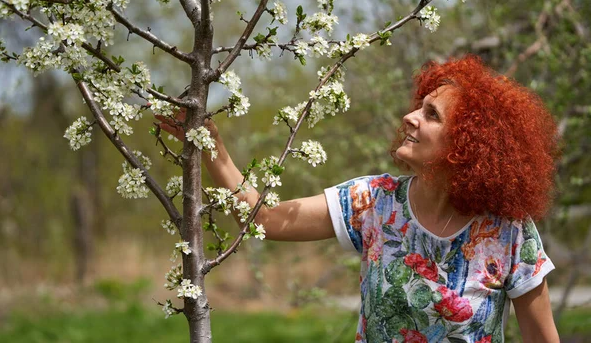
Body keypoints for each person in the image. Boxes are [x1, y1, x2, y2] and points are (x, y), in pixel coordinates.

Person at [157, 55, 561, 343]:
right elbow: (268, 221)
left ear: (469, 146)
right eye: (418, 107)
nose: (411, 117)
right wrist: (211, 148)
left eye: (431, 115)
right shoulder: (374, 202)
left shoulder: (509, 233)